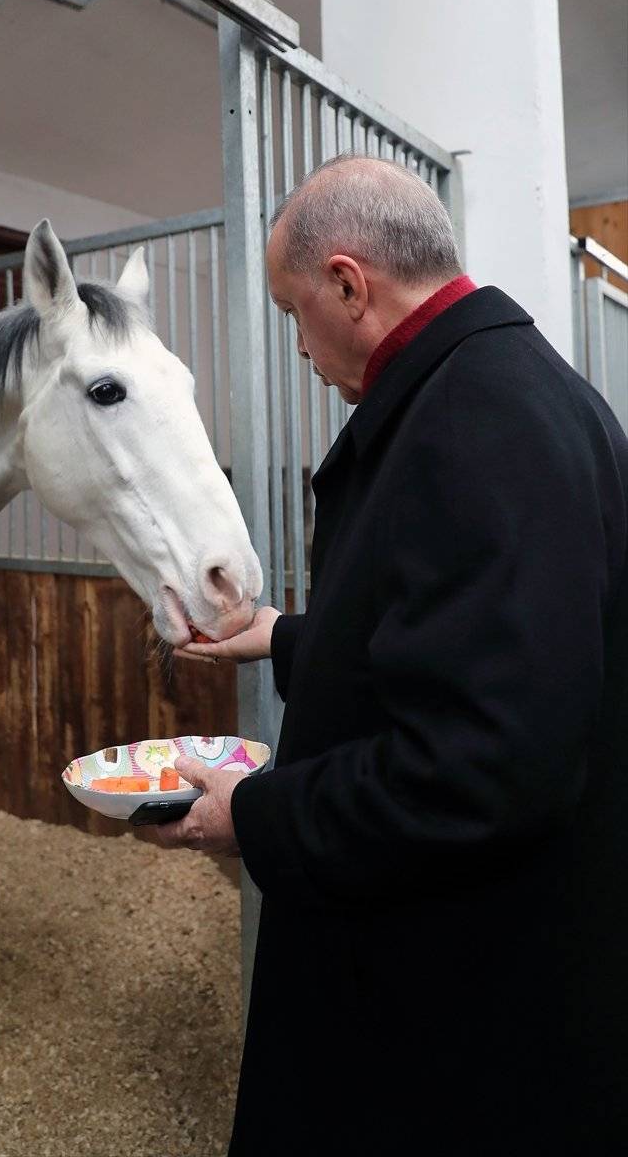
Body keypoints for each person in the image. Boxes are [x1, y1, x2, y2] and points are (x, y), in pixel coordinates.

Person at [155, 156, 628, 1156]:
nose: (297, 345)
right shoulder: (508, 386)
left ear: (346, 285)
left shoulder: (478, 424)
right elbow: (462, 640)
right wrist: (284, 635)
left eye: (293, 311)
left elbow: (480, 765)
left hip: (458, 994)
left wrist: (256, 814)